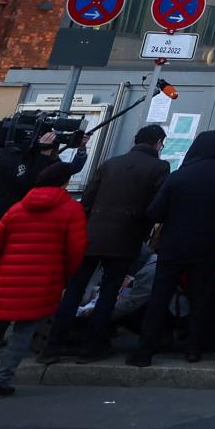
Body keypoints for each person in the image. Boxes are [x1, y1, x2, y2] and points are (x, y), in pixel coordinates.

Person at [46, 123, 169, 360]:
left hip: (92, 236)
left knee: (74, 290)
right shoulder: (159, 167)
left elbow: (88, 200)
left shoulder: (110, 163)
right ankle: (92, 346)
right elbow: (156, 207)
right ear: (158, 143)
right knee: (109, 293)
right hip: (126, 238)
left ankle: (53, 344)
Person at [0, 167, 85, 398]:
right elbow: (76, 250)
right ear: (65, 183)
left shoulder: (17, 209)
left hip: (8, 277)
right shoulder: (71, 210)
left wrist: (1, 269)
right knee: (23, 330)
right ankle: (1, 382)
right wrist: (64, 275)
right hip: (43, 279)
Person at [129, 130, 215, 366]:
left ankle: (144, 350)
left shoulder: (180, 175)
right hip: (209, 247)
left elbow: (155, 211)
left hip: (174, 246)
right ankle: (193, 348)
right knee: (201, 299)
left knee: (160, 297)